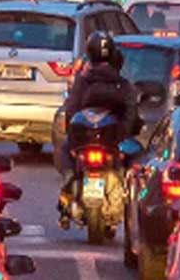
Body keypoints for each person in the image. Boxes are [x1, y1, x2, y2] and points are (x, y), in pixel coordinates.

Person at [58, 33, 139, 222]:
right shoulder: (121, 83)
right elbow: (131, 112)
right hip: (110, 144)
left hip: (98, 146)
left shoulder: (84, 81)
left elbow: (71, 107)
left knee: (65, 151)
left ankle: (67, 191)